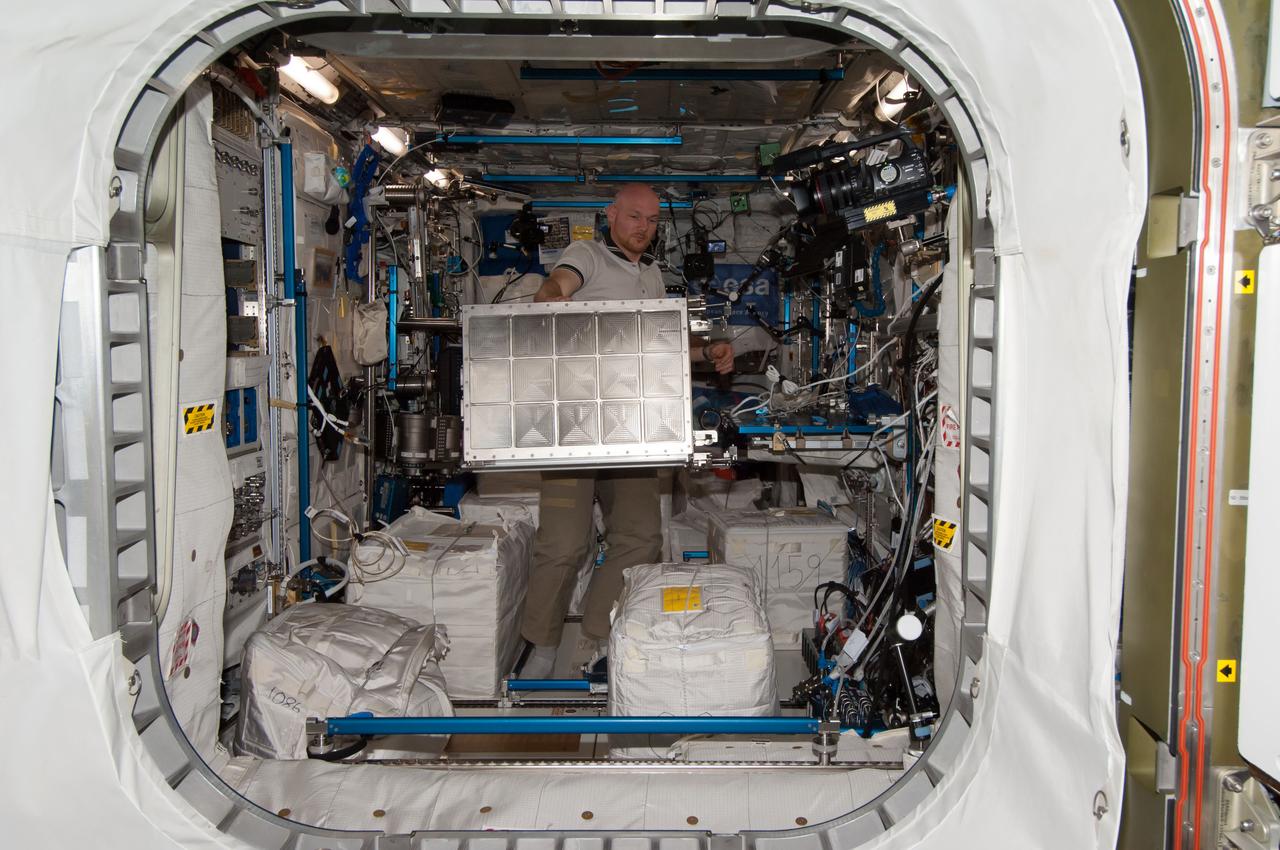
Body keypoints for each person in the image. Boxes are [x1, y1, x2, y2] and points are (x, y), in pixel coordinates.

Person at [517, 183, 734, 678]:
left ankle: (595, 638)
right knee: (564, 545)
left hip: (630, 429)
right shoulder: (586, 254)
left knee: (639, 538)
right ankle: (540, 646)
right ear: (611, 215)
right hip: (573, 427)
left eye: (653, 220)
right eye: (634, 216)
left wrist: (708, 352)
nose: (643, 228)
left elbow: (656, 350)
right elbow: (558, 287)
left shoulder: (653, 276)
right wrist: (549, 298)